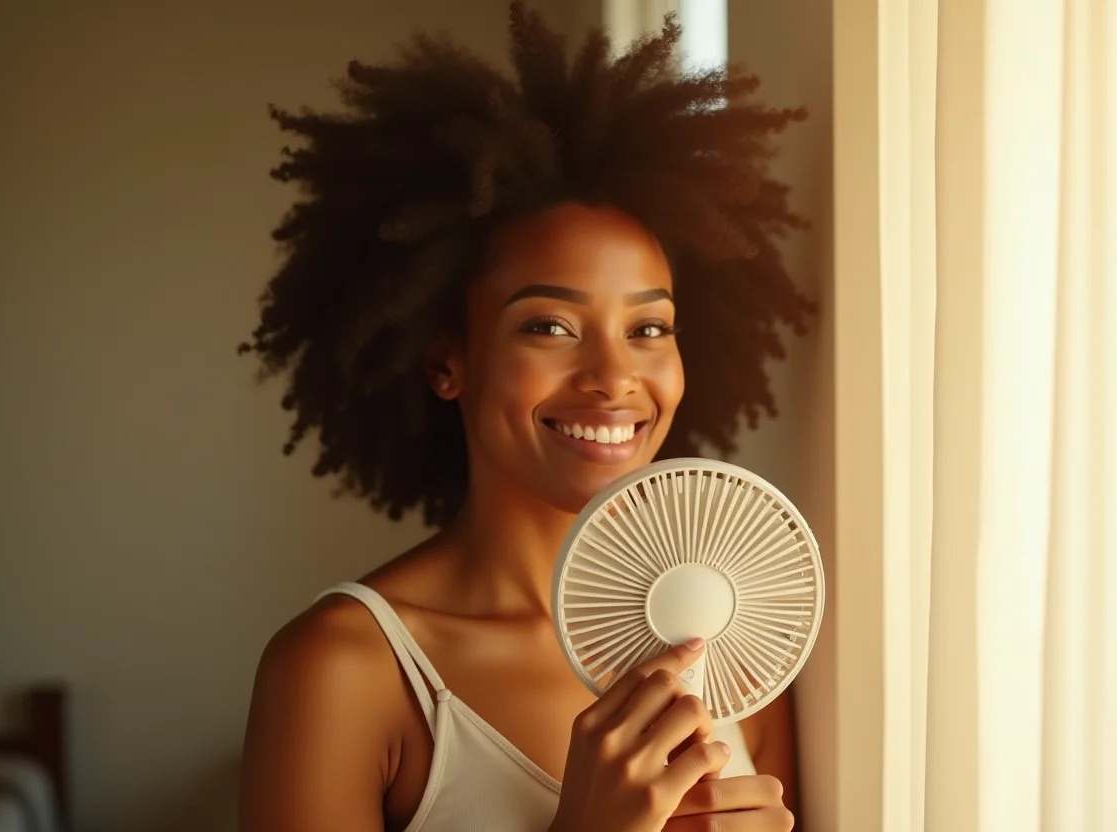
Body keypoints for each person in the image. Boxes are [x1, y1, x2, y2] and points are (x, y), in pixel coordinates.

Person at [237, 3, 816, 830]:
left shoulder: (741, 643)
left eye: (648, 329)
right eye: (550, 327)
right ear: (447, 363)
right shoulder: (344, 667)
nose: (613, 377)